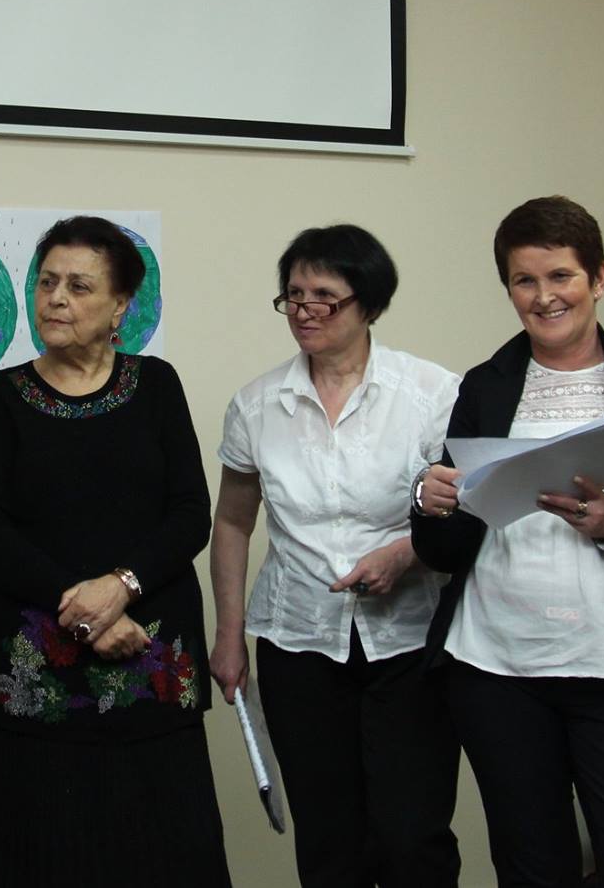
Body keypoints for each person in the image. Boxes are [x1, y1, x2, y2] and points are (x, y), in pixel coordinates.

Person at [411, 196, 604, 888]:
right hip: (497, 668)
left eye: (561, 276)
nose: (544, 296)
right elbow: (444, 549)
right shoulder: (486, 385)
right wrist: (429, 503)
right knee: (532, 869)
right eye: (524, 281)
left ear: (599, 278)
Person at [0, 215, 228, 888]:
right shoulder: (1, 396)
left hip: (151, 664)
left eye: (79, 286)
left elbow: (189, 513)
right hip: (35, 684)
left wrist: (120, 588)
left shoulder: (157, 384)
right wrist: (84, 613)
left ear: (119, 307)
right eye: (46, 282)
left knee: (160, 856)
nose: (55, 298)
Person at [210, 224, 463, 888]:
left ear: (369, 303)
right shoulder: (257, 404)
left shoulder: (433, 394)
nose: (305, 310)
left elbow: (467, 512)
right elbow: (232, 522)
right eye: (293, 295)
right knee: (329, 840)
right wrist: (229, 635)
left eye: (324, 295)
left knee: (413, 836)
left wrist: (405, 553)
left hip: (409, 643)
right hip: (298, 643)